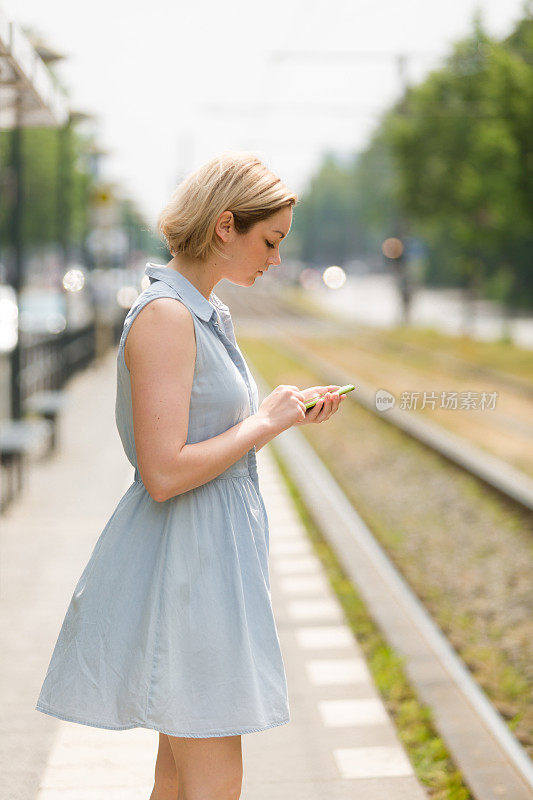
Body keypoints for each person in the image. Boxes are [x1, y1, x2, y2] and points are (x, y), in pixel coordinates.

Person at [34, 151, 346, 800]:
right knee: (212, 782)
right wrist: (265, 421)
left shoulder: (200, 311)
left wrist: (281, 417)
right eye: (270, 241)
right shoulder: (167, 317)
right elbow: (162, 472)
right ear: (225, 226)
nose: (276, 259)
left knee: (177, 781)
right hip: (189, 568)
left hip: (204, 560)